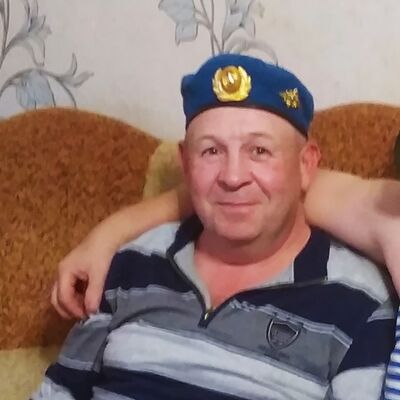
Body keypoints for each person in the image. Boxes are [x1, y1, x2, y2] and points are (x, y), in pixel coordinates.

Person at [34, 54, 396, 399]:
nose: (233, 177)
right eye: (211, 151)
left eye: (259, 151)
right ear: (185, 163)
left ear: (306, 165)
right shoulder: (133, 261)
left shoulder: (359, 300)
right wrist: (109, 235)